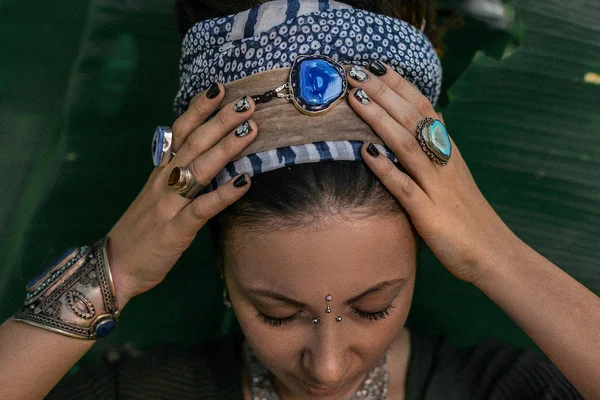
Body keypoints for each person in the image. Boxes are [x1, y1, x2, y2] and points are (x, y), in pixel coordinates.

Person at [0, 0, 598, 399]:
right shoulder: (145, 392)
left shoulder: (502, 391)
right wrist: (117, 267)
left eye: (373, 307)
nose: (329, 366)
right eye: (278, 314)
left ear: (427, 248)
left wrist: (493, 253)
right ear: (221, 272)